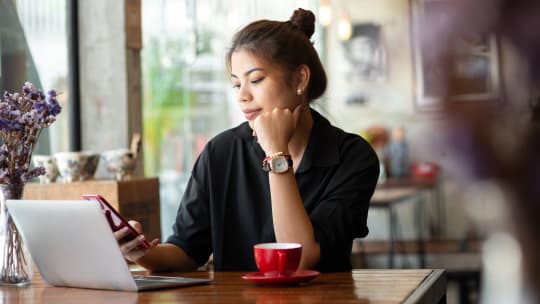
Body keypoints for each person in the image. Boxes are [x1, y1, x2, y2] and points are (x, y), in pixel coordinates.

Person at [116, 8, 379, 273]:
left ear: (300, 78)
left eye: (255, 80)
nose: (242, 96)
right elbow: (186, 251)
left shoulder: (353, 157)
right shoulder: (220, 153)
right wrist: (141, 253)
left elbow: (299, 261)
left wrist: (276, 153)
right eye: (236, 84)